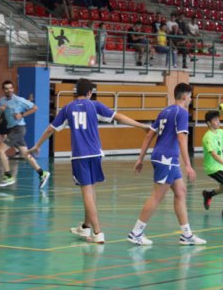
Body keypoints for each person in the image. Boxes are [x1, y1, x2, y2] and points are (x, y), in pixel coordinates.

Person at [31, 78, 148, 243]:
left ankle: (98, 232)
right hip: (95, 154)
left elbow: (51, 129)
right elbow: (119, 117)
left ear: (76, 92)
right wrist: (141, 126)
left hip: (80, 156)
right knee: (91, 192)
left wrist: (37, 145)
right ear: (89, 93)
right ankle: (85, 227)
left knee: (87, 193)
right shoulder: (95, 105)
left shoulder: (68, 108)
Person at [127, 83, 206, 246]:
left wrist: (140, 159)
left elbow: (149, 135)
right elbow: (182, 138)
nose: (190, 100)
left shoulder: (165, 111)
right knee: (157, 196)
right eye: (190, 97)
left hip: (166, 158)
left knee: (181, 192)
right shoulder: (182, 113)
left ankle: (187, 235)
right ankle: (136, 232)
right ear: (185, 97)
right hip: (166, 159)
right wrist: (188, 165)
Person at [0, 80, 50, 189]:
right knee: (25, 154)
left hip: (18, 129)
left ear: (13, 89)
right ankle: (42, 173)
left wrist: (22, 114)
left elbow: (35, 108)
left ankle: (8, 176)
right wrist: (0, 110)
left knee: (0, 150)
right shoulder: (2, 101)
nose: (9, 90)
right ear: (3, 90)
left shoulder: (19, 100)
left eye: (10, 88)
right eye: (6, 88)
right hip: (11, 129)